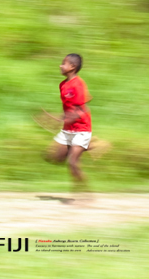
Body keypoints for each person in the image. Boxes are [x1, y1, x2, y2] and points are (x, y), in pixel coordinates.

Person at [46, 53, 93, 197]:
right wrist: (58, 118)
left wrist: (60, 120)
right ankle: (88, 146)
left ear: (72, 67)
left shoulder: (78, 84)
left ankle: (85, 194)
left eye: (63, 63)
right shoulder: (63, 85)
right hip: (68, 129)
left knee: (72, 163)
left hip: (81, 129)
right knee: (54, 157)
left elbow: (80, 110)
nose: (60, 65)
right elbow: (69, 108)